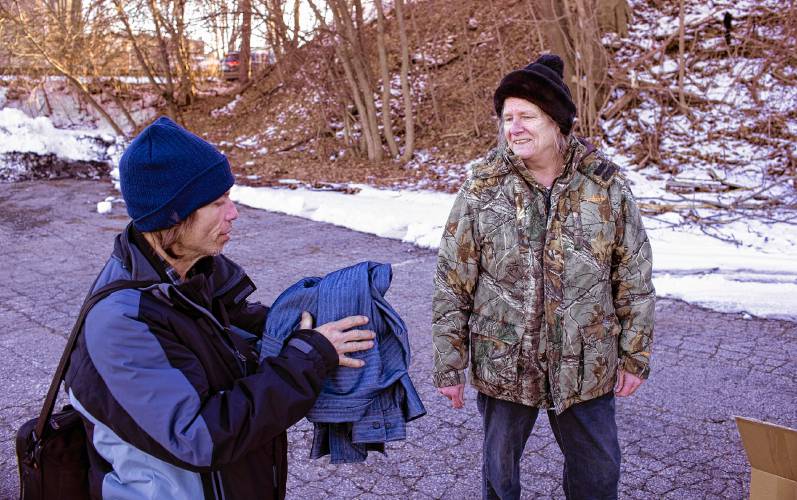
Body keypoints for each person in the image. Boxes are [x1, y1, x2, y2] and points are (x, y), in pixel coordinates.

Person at [64, 116, 375, 499]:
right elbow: (200, 437)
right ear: (173, 214)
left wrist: (303, 325)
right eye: (217, 202)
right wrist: (308, 358)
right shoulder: (122, 322)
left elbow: (239, 332)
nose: (233, 212)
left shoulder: (192, 273)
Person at [431, 54, 655, 500]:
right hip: (504, 360)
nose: (514, 128)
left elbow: (633, 276)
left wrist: (635, 355)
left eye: (526, 116)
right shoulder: (482, 189)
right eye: (507, 118)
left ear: (556, 122)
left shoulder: (605, 188)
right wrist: (448, 364)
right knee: (499, 478)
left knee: (598, 477)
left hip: (585, 364)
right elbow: (452, 281)